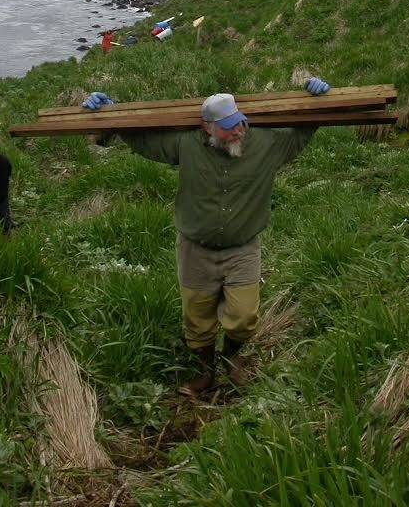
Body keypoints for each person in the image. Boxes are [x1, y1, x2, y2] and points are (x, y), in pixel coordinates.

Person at [83, 77, 331, 395]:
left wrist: (317, 98)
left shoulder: (269, 144)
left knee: (243, 317)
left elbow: (305, 129)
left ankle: (230, 359)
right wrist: (110, 112)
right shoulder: (185, 145)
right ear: (207, 128)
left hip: (243, 249)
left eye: (240, 122)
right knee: (197, 322)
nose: (238, 130)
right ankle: (205, 371)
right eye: (229, 127)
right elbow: (142, 139)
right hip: (195, 250)